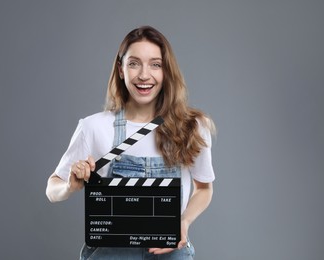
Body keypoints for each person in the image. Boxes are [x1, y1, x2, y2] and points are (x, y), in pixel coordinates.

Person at [46, 25, 215, 260]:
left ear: (166, 71)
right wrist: (68, 186)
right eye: (134, 63)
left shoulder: (193, 126)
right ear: (121, 69)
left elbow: (204, 189)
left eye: (155, 64)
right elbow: (52, 189)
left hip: (170, 251)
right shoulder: (94, 127)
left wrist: (183, 222)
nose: (144, 75)